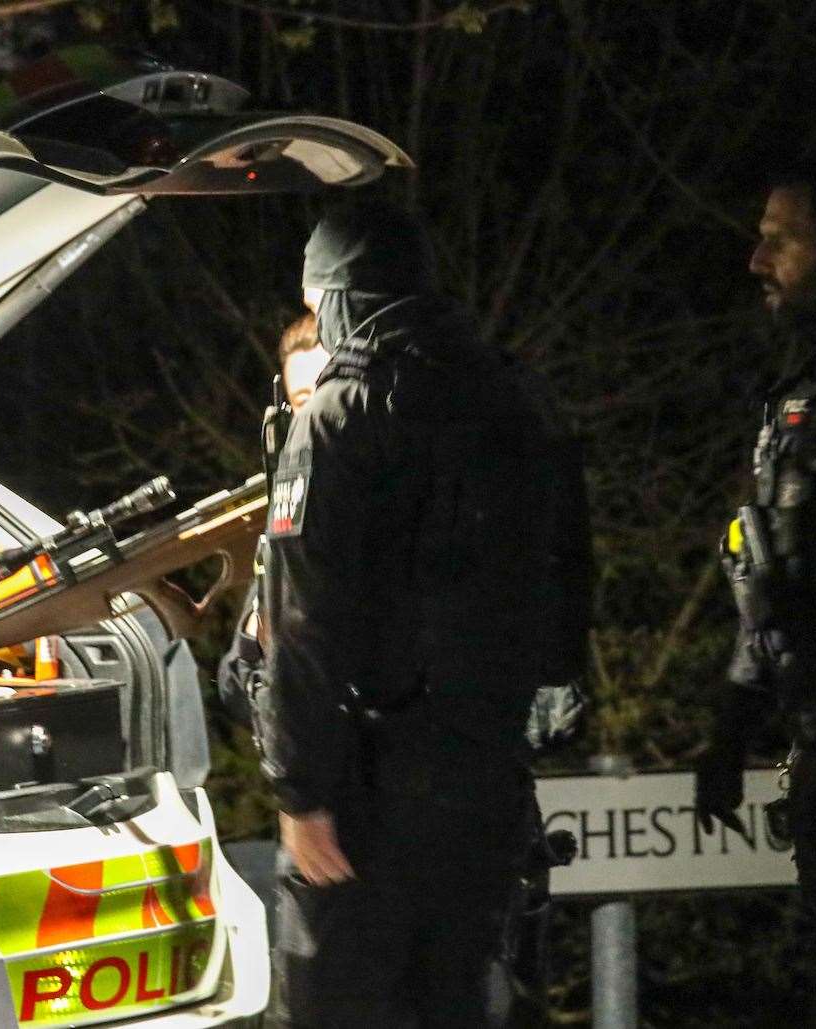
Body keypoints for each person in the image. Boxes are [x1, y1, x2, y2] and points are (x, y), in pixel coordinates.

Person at [255, 198, 590, 1028]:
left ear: (332, 297)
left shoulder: (339, 414)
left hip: (370, 782)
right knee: (462, 1002)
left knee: (342, 1004)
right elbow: (572, 563)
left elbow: (302, 621)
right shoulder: (516, 395)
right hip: (486, 774)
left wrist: (301, 792)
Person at [694, 163, 816, 1025]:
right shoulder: (805, 401)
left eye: (779, 241)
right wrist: (733, 722)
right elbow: (766, 573)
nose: (757, 261)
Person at [218, 312, 328, 727]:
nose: (318, 413)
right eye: (303, 401)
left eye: (330, 391)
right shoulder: (289, 513)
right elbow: (234, 683)